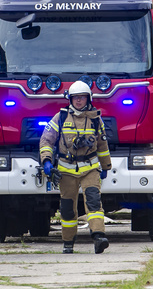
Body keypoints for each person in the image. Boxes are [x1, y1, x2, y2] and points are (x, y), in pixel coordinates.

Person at [39, 81, 112, 254]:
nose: (79, 101)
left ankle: (98, 237)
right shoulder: (61, 117)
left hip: (90, 168)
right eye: (75, 98)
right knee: (67, 207)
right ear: (70, 99)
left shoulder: (95, 119)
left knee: (94, 201)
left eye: (82, 97)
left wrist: (106, 166)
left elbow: (102, 144)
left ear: (88, 98)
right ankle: (68, 242)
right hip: (66, 170)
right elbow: (46, 140)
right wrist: (47, 161)